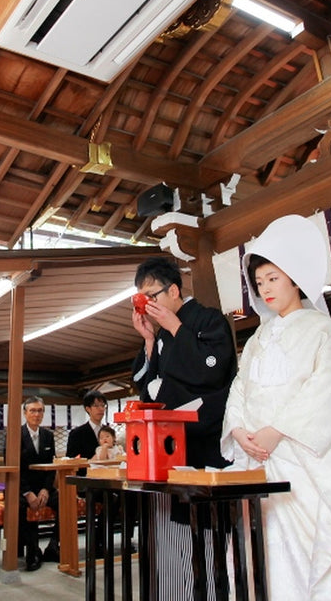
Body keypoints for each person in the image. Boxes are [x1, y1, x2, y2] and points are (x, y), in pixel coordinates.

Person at [221, 214, 331, 600]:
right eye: (259, 282)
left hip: (303, 454)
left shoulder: (319, 328)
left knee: (315, 545)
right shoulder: (257, 338)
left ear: (294, 278)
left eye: (273, 278)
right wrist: (238, 430)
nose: (265, 288)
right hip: (259, 457)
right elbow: (240, 388)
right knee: (264, 543)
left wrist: (277, 430)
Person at [130, 255, 236, 601]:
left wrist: (176, 328)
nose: (147, 305)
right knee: (174, 521)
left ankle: (218, 590)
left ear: (174, 290)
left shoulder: (208, 319)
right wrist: (149, 341)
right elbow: (148, 389)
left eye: (152, 296)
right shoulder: (160, 337)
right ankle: (180, 592)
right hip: (173, 444)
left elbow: (213, 371)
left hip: (206, 438)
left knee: (210, 523)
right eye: (141, 299)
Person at [17, 395, 59, 571]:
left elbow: (51, 466)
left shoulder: (48, 436)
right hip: (21, 488)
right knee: (21, 507)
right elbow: (15, 468)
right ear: (25, 413)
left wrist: (45, 490)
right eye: (33, 410)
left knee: (66, 502)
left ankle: (53, 546)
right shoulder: (15, 434)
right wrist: (28, 493)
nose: (37, 414)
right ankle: (32, 551)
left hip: (44, 488)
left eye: (40, 410)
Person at [65, 390, 110, 555]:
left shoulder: (108, 432)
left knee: (127, 495)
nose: (100, 409)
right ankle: (97, 542)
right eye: (96, 405)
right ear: (87, 409)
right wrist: (91, 460)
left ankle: (115, 539)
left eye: (103, 405)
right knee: (109, 497)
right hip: (86, 481)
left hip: (107, 478)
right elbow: (71, 460)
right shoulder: (77, 433)